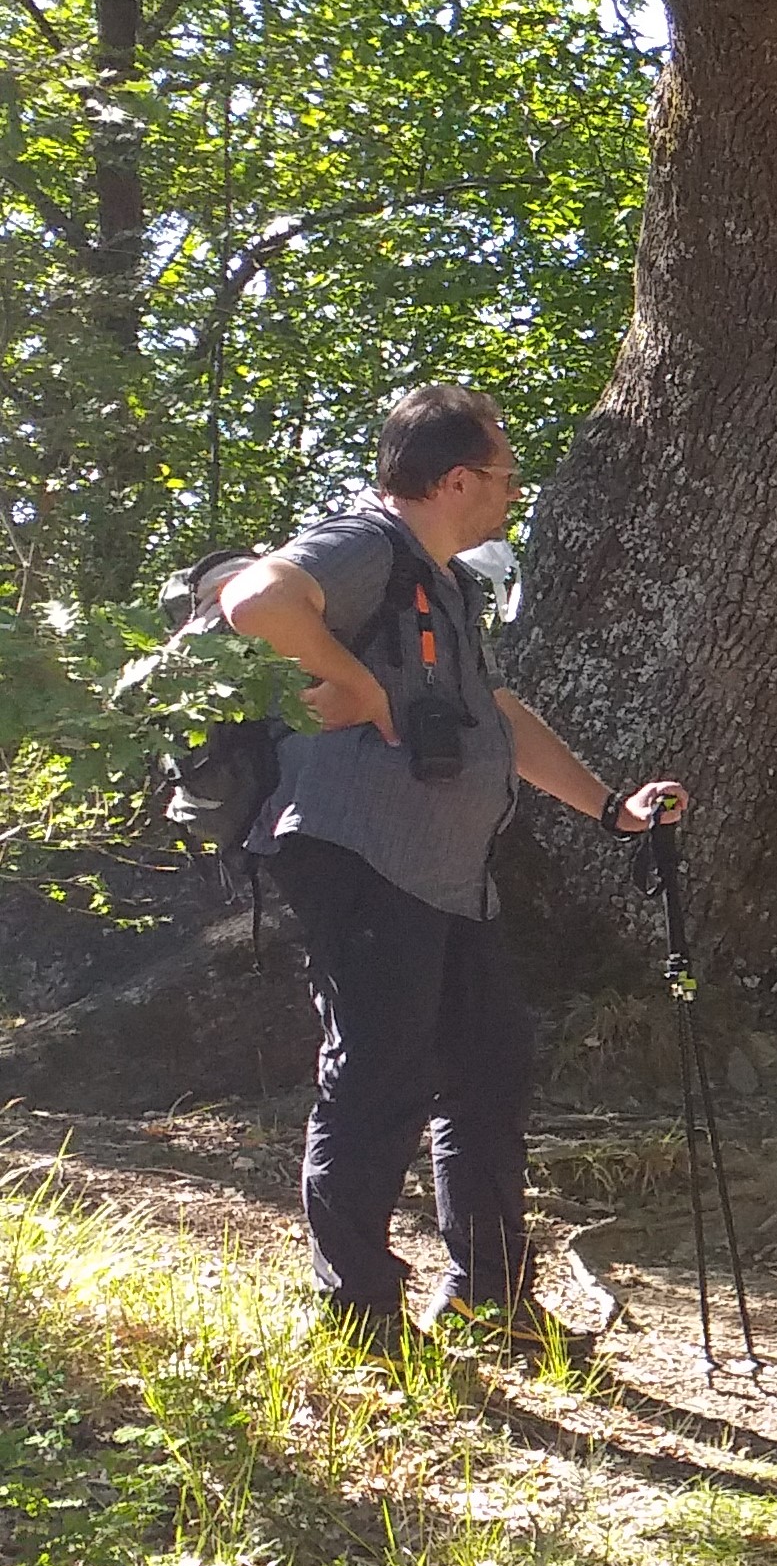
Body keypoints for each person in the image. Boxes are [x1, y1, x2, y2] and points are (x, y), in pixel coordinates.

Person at [220, 383, 692, 1357]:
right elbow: (257, 602)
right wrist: (352, 681)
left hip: (448, 879)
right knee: (378, 1078)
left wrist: (612, 809)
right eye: (508, 470)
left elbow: (495, 716)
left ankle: (488, 1297)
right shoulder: (368, 546)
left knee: (488, 1069)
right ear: (459, 478)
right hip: (365, 859)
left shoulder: (446, 583)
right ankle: (359, 1317)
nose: (516, 487)